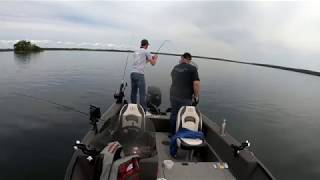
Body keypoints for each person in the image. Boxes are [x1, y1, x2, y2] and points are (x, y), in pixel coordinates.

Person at [169, 52, 200, 135]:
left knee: (174, 114)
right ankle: (180, 135)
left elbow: (172, 77)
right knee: (184, 116)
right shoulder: (193, 69)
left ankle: (172, 134)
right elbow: (196, 84)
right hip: (185, 97)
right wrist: (196, 97)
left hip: (173, 95)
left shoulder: (175, 67)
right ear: (189, 60)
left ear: (182, 58)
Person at [130, 39, 158, 111]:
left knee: (133, 93)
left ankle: (133, 109)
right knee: (142, 94)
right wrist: (155, 58)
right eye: (148, 45)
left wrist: (150, 59)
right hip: (139, 75)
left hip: (132, 73)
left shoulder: (136, 51)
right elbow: (153, 64)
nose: (148, 47)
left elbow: (143, 62)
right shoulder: (146, 51)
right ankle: (144, 111)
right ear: (146, 45)